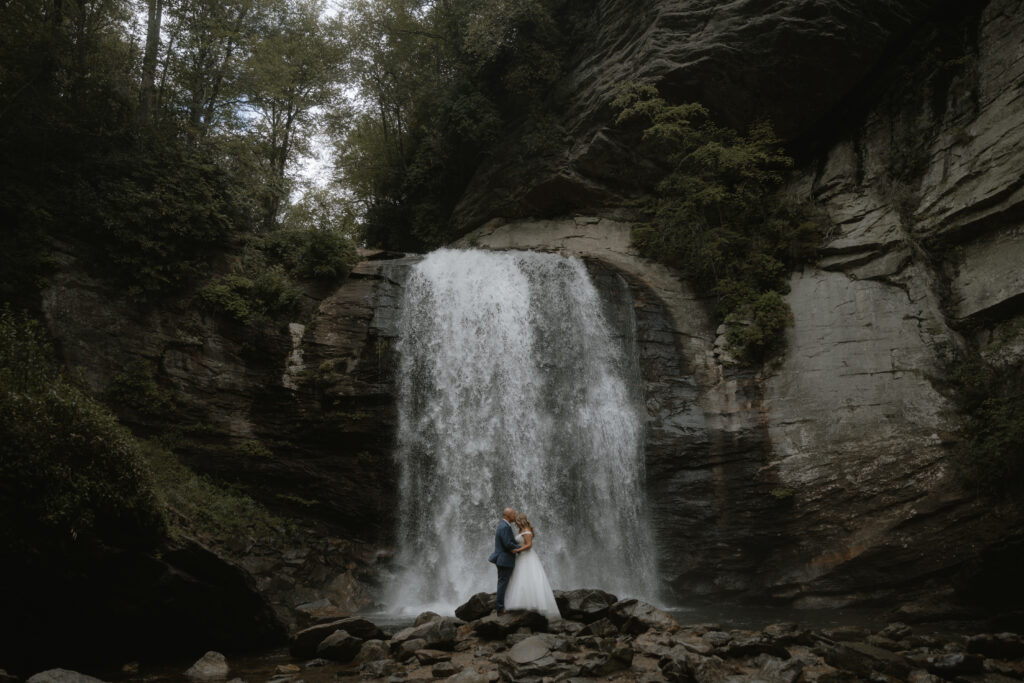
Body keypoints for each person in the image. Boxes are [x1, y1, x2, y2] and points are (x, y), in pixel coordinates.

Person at [504, 512, 560, 621]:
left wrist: (517, 550)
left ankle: (533, 605)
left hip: (527, 557)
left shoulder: (527, 531)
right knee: (520, 578)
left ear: (521, 521)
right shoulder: (521, 531)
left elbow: (529, 545)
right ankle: (522, 604)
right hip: (521, 557)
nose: (516, 524)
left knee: (528, 577)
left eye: (517, 522)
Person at [488, 506, 521, 614]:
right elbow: (507, 544)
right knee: (502, 584)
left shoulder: (503, 526)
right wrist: (520, 548)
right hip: (505, 560)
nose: (515, 516)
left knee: (503, 583)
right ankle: (500, 608)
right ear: (507, 515)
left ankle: (503, 606)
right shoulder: (505, 527)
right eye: (513, 514)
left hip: (503, 559)